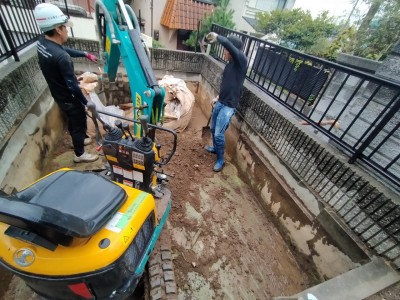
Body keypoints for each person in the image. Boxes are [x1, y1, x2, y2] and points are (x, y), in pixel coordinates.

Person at [34, 3, 98, 163]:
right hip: (69, 98)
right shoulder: (62, 59)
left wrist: (84, 54)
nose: (67, 30)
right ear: (57, 29)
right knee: (79, 124)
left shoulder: (43, 43)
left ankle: (78, 140)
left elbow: (63, 50)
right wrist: (86, 103)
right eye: (65, 27)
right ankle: (79, 154)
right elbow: (73, 86)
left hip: (58, 94)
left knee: (72, 120)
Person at [204, 32, 247, 172]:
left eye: (226, 50)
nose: (224, 52)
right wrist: (217, 97)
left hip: (229, 106)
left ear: (232, 51)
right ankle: (216, 149)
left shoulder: (241, 61)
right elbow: (227, 84)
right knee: (212, 128)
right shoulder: (229, 65)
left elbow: (229, 45)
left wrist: (217, 37)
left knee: (218, 134)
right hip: (221, 101)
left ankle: (221, 160)